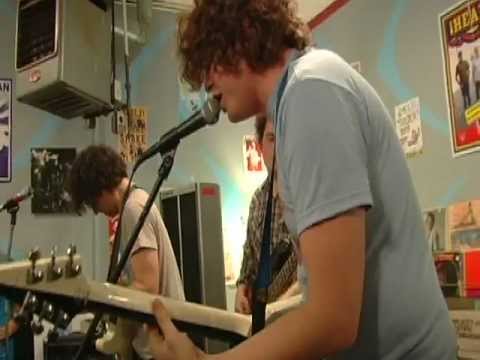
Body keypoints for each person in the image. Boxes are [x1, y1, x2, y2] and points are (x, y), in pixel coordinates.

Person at [148, 1, 456, 359]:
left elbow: (332, 318)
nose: (205, 83)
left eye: (210, 60)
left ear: (244, 33)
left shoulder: (311, 90)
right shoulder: (298, 98)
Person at [68, 144, 185, 360]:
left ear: (100, 188)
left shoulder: (133, 208)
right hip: (157, 344)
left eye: (93, 203)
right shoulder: (134, 204)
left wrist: (105, 299)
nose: (97, 211)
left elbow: (148, 286)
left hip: (161, 346)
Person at [235, 116, 299, 314]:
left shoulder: (306, 195)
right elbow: (249, 253)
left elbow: (315, 272)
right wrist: (241, 288)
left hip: (298, 314)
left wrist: (277, 307)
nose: (279, 147)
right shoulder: (258, 199)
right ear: (260, 146)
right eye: (271, 138)